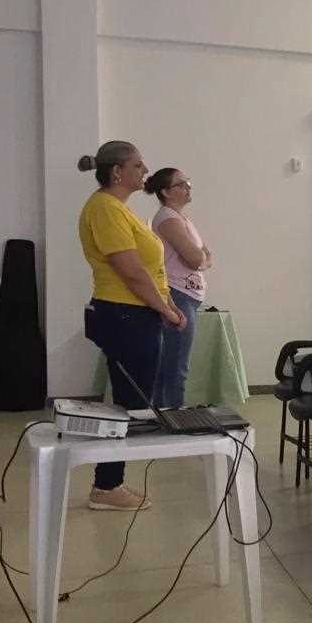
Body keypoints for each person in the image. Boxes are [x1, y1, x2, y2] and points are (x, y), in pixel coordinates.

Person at [78, 141, 185, 511]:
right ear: (117, 173)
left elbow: (151, 269)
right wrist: (164, 310)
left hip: (137, 313)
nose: (145, 171)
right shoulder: (105, 208)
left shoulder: (121, 210)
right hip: (124, 315)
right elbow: (131, 272)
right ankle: (107, 486)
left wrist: (167, 304)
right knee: (129, 404)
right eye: (138, 166)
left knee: (130, 401)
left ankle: (109, 484)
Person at [145, 168, 211, 408]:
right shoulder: (168, 218)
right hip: (177, 294)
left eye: (188, 183)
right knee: (175, 366)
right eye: (181, 184)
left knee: (174, 363)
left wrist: (200, 257)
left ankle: (166, 414)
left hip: (189, 295)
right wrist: (200, 258)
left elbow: (206, 255)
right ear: (165, 191)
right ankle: (173, 418)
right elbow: (196, 259)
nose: (188, 187)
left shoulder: (182, 219)